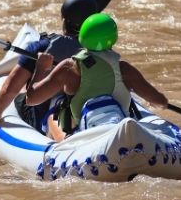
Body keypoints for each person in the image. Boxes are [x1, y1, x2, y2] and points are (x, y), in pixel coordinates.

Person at [25, 13, 168, 141]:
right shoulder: (124, 69)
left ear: (82, 37)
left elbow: (31, 99)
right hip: (119, 132)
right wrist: (154, 101)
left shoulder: (68, 68)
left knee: (52, 117)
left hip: (87, 136)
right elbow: (160, 101)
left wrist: (40, 68)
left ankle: (66, 142)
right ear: (113, 38)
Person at [0, 0, 99, 131]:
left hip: (45, 114)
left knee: (21, 91)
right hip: (88, 111)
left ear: (63, 19)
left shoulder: (42, 48)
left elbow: (9, 89)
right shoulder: (101, 49)